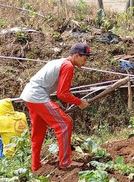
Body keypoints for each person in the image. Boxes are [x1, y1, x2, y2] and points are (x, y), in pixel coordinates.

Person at [21, 42, 91, 171]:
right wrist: (79, 101)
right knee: (65, 124)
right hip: (38, 95)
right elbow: (62, 94)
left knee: (38, 131)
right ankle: (65, 162)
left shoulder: (60, 62)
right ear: (76, 55)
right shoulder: (68, 66)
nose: (85, 62)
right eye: (84, 58)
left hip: (29, 94)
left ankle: (35, 165)